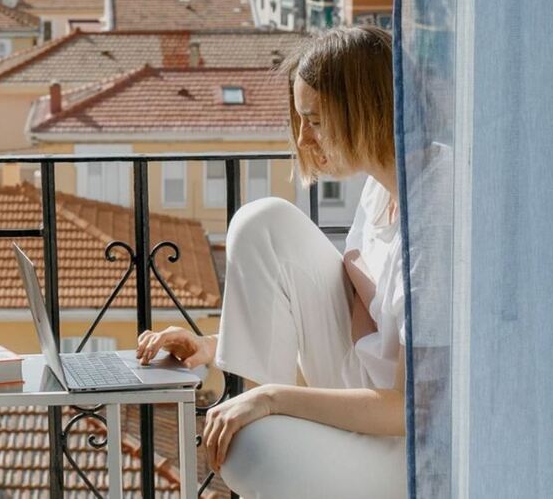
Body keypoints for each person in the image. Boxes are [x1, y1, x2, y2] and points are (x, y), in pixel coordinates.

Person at [136, 25, 407, 498]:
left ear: (365, 111)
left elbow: (410, 408)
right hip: (365, 390)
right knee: (263, 221)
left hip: (408, 445)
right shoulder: (380, 189)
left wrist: (271, 398)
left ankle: (273, 427)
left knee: (249, 448)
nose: (304, 138)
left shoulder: (435, 217)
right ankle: (275, 428)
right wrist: (216, 345)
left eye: (316, 120)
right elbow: (348, 316)